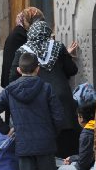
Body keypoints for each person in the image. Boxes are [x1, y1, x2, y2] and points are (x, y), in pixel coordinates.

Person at [9, 21, 80, 158]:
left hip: (37, 98)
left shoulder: (23, 51)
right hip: (61, 97)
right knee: (65, 138)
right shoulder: (58, 46)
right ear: (47, 33)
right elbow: (72, 70)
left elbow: (12, 77)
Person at [58, 101, 96, 170]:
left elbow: (83, 165)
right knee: (72, 164)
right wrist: (73, 158)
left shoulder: (87, 133)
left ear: (81, 117)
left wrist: (74, 161)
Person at [2, 7, 45, 89]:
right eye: (38, 22)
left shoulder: (20, 32)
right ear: (30, 21)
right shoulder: (20, 35)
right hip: (18, 84)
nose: (40, 26)